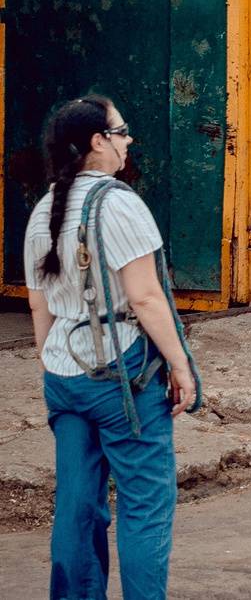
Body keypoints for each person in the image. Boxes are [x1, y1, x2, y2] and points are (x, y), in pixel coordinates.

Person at [26, 94, 195, 600]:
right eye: (122, 132)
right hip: (122, 374)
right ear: (98, 143)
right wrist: (181, 366)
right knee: (145, 505)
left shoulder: (42, 212)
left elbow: (41, 310)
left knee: (76, 507)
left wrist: (53, 361)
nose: (128, 142)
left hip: (64, 374)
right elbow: (144, 296)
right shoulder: (119, 203)